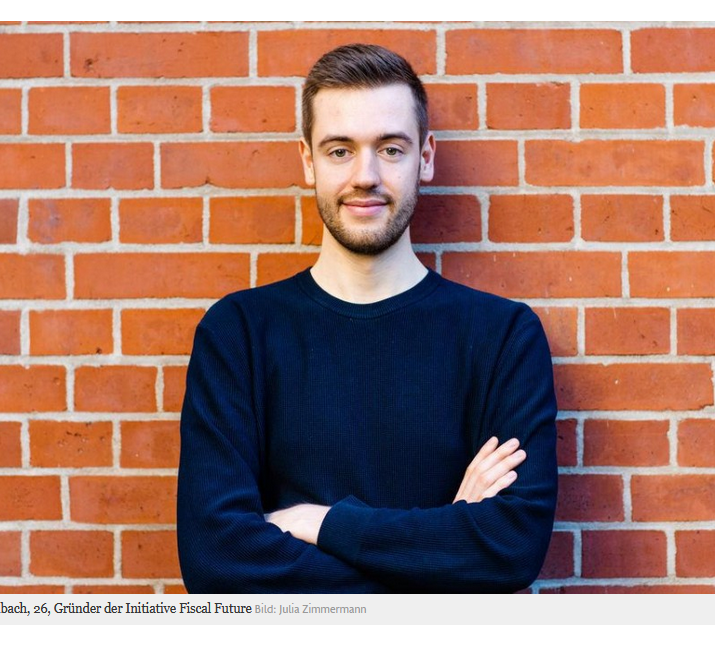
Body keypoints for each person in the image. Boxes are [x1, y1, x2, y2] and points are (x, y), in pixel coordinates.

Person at [177, 44, 558, 594]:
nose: (366, 176)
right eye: (339, 151)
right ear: (308, 161)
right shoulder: (238, 334)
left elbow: (511, 547)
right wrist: (440, 547)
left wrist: (323, 523)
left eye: (391, 149)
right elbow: (215, 560)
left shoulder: (502, 338)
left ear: (425, 157)